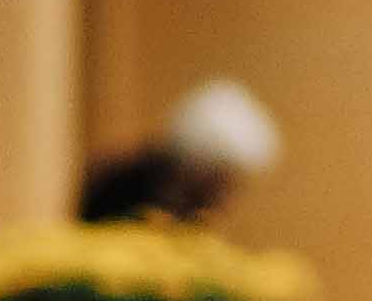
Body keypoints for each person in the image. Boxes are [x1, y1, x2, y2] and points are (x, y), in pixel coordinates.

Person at [77, 78, 283, 228]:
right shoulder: (123, 188)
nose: (225, 198)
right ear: (201, 164)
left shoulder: (187, 202)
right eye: (222, 181)